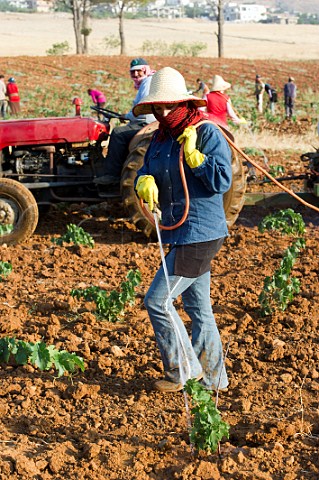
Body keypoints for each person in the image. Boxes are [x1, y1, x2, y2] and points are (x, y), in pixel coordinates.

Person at [133, 67, 232, 393]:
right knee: (199, 309)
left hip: (201, 234)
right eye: (157, 107)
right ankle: (215, 379)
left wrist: (196, 158)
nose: (162, 112)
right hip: (180, 232)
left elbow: (222, 181)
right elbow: (146, 169)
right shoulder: (160, 138)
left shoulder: (206, 133)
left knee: (157, 301)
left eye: (168, 106)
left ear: (183, 103)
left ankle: (184, 369)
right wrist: (142, 181)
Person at [94, 58, 156, 186]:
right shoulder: (145, 82)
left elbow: (142, 106)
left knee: (118, 133)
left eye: (139, 71)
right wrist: (126, 116)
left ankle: (112, 174)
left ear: (145, 70)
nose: (136, 74)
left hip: (146, 122)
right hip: (143, 120)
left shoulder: (148, 82)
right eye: (133, 72)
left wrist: (128, 116)